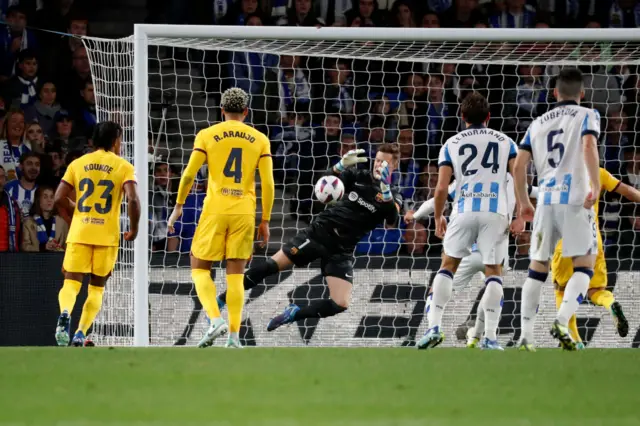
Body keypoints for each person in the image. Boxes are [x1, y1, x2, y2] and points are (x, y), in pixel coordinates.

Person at [216, 143, 402, 332]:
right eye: (378, 160)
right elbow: (326, 182)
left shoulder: (394, 195)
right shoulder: (358, 177)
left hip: (341, 250)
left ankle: (294, 313)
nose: (379, 165)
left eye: (385, 163)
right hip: (319, 233)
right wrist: (339, 167)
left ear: (394, 165)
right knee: (271, 266)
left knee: (341, 303)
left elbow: (392, 220)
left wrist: (386, 191)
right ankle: (222, 299)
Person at [167, 88, 275, 349]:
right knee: (236, 276)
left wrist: (179, 205)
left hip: (215, 208)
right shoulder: (259, 139)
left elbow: (188, 174)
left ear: (222, 110)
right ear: (246, 112)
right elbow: (268, 183)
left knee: (198, 265)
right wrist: (265, 220)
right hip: (244, 212)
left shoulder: (207, 135)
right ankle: (234, 338)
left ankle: (215, 320)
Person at [416, 92, 520, 351]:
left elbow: (441, 189)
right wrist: (522, 214)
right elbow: (519, 179)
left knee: (447, 266)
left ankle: (434, 328)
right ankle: (491, 338)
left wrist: (439, 215)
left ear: (462, 118)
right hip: (495, 213)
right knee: (494, 272)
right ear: (488, 117)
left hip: (463, 211)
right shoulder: (506, 142)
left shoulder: (451, 143)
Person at [513, 68, 601, 351]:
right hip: (575, 200)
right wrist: (596, 186)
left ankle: (526, 336)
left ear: (554, 93)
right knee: (584, 267)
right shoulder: (588, 115)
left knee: (537, 269)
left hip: (547, 202)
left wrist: (524, 203)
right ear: (582, 93)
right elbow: (588, 144)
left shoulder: (537, 123)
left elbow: (518, 165)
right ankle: (562, 321)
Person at [406, 174, 531, 347]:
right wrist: (522, 217)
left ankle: (433, 327)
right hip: (495, 241)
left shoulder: (469, 173)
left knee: (440, 282)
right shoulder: (509, 176)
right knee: (493, 286)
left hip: (466, 249)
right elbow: (532, 192)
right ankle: (486, 337)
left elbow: (439, 197)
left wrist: (416, 214)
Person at [53, 121, 140, 347]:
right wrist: (134, 228)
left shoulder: (78, 163)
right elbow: (132, 199)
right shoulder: (123, 166)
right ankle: (81, 332)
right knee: (97, 286)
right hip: (106, 235)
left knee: (71, 283)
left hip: (81, 231)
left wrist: (75, 214)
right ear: (115, 141)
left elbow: (57, 198)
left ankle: (64, 314)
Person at [549, 167, 640, 348]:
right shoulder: (598, 172)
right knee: (595, 289)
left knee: (562, 289)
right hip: (593, 238)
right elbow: (628, 191)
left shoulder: (557, 172)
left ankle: (575, 340)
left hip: (566, 238)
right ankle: (611, 303)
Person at [21, 186, 69, 252]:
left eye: (52, 197)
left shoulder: (62, 223)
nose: (49, 200)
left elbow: (68, 249)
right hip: (36, 261)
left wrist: (56, 248)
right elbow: (24, 247)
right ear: (38, 200)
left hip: (56, 261)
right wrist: (42, 247)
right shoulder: (28, 223)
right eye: (45, 197)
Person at [4, 152, 40, 217]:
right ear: (21, 167)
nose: (34, 168)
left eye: (37, 164)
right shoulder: (8, 188)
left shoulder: (41, 192)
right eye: (29, 164)